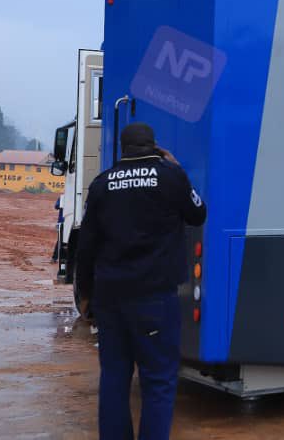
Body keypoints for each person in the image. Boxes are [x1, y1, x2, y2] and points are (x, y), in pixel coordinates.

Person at [75, 122, 206, 440]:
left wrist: (86, 295)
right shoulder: (170, 176)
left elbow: (86, 246)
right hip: (154, 298)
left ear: (123, 149)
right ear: (155, 147)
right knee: (158, 381)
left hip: (110, 299)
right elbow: (198, 214)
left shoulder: (102, 184)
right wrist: (177, 169)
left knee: (114, 378)